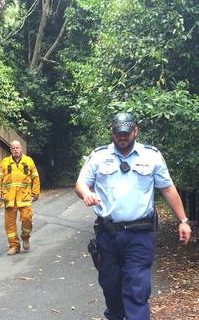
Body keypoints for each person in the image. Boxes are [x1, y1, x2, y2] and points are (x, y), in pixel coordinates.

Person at [75, 112, 192, 320]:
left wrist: (183, 221)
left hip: (140, 235)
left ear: (135, 131)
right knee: (111, 289)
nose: (122, 137)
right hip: (107, 235)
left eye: (127, 133)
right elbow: (81, 183)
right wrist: (86, 193)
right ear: (112, 132)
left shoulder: (151, 156)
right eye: (118, 133)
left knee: (137, 291)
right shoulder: (99, 156)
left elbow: (168, 189)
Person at [0, 140, 41, 255]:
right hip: (9, 198)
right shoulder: (5, 162)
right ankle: (14, 246)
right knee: (9, 224)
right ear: (10, 150)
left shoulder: (28, 161)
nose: (16, 150)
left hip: (24, 197)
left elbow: (35, 177)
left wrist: (36, 193)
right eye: (13, 148)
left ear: (21, 148)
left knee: (27, 219)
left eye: (17, 147)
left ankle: (25, 237)